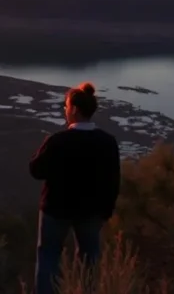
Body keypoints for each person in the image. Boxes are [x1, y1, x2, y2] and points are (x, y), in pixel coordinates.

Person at [29, 82, 120, 294]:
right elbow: (113, 180)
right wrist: (106, 212)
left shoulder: (58, 141)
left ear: (75, 110)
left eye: (66, 106)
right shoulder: (107, 142)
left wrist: (45, 145)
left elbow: (35, 170)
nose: (65, 110)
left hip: (55, 210)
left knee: (49, 256)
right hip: (91, 212)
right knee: (89, 258)